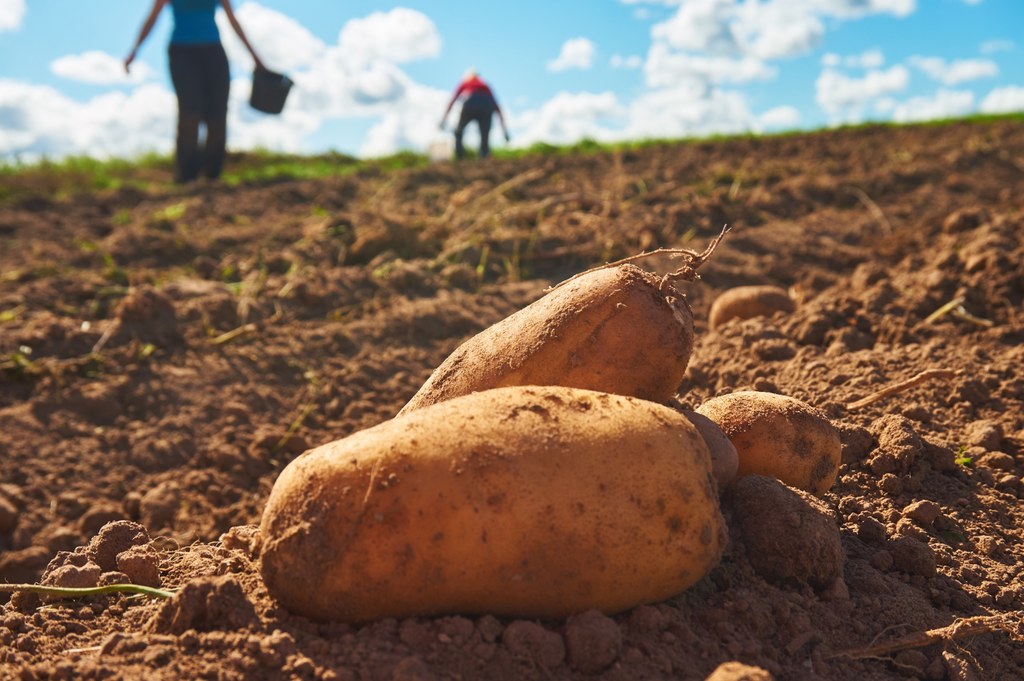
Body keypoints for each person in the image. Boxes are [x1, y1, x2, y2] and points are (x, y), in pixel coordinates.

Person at [125, 0, 265, 183]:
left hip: (213, 52)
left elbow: (233, 20)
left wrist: (255, 57)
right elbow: (153, 18)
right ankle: (186, 176)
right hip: (182, 53)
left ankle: (212, 176)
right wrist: (135, 49)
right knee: (190, 110)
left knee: (217, 112)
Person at [439, 69, 510, 160]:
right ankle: (484, 155)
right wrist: (505, 131)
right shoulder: (485, 85)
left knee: (459, 131)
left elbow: (452, 101)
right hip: (486, 105)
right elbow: (497, 107)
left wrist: (444, 120)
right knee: (485, 133)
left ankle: (460, 157)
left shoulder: (466, 82)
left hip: (470, 102)